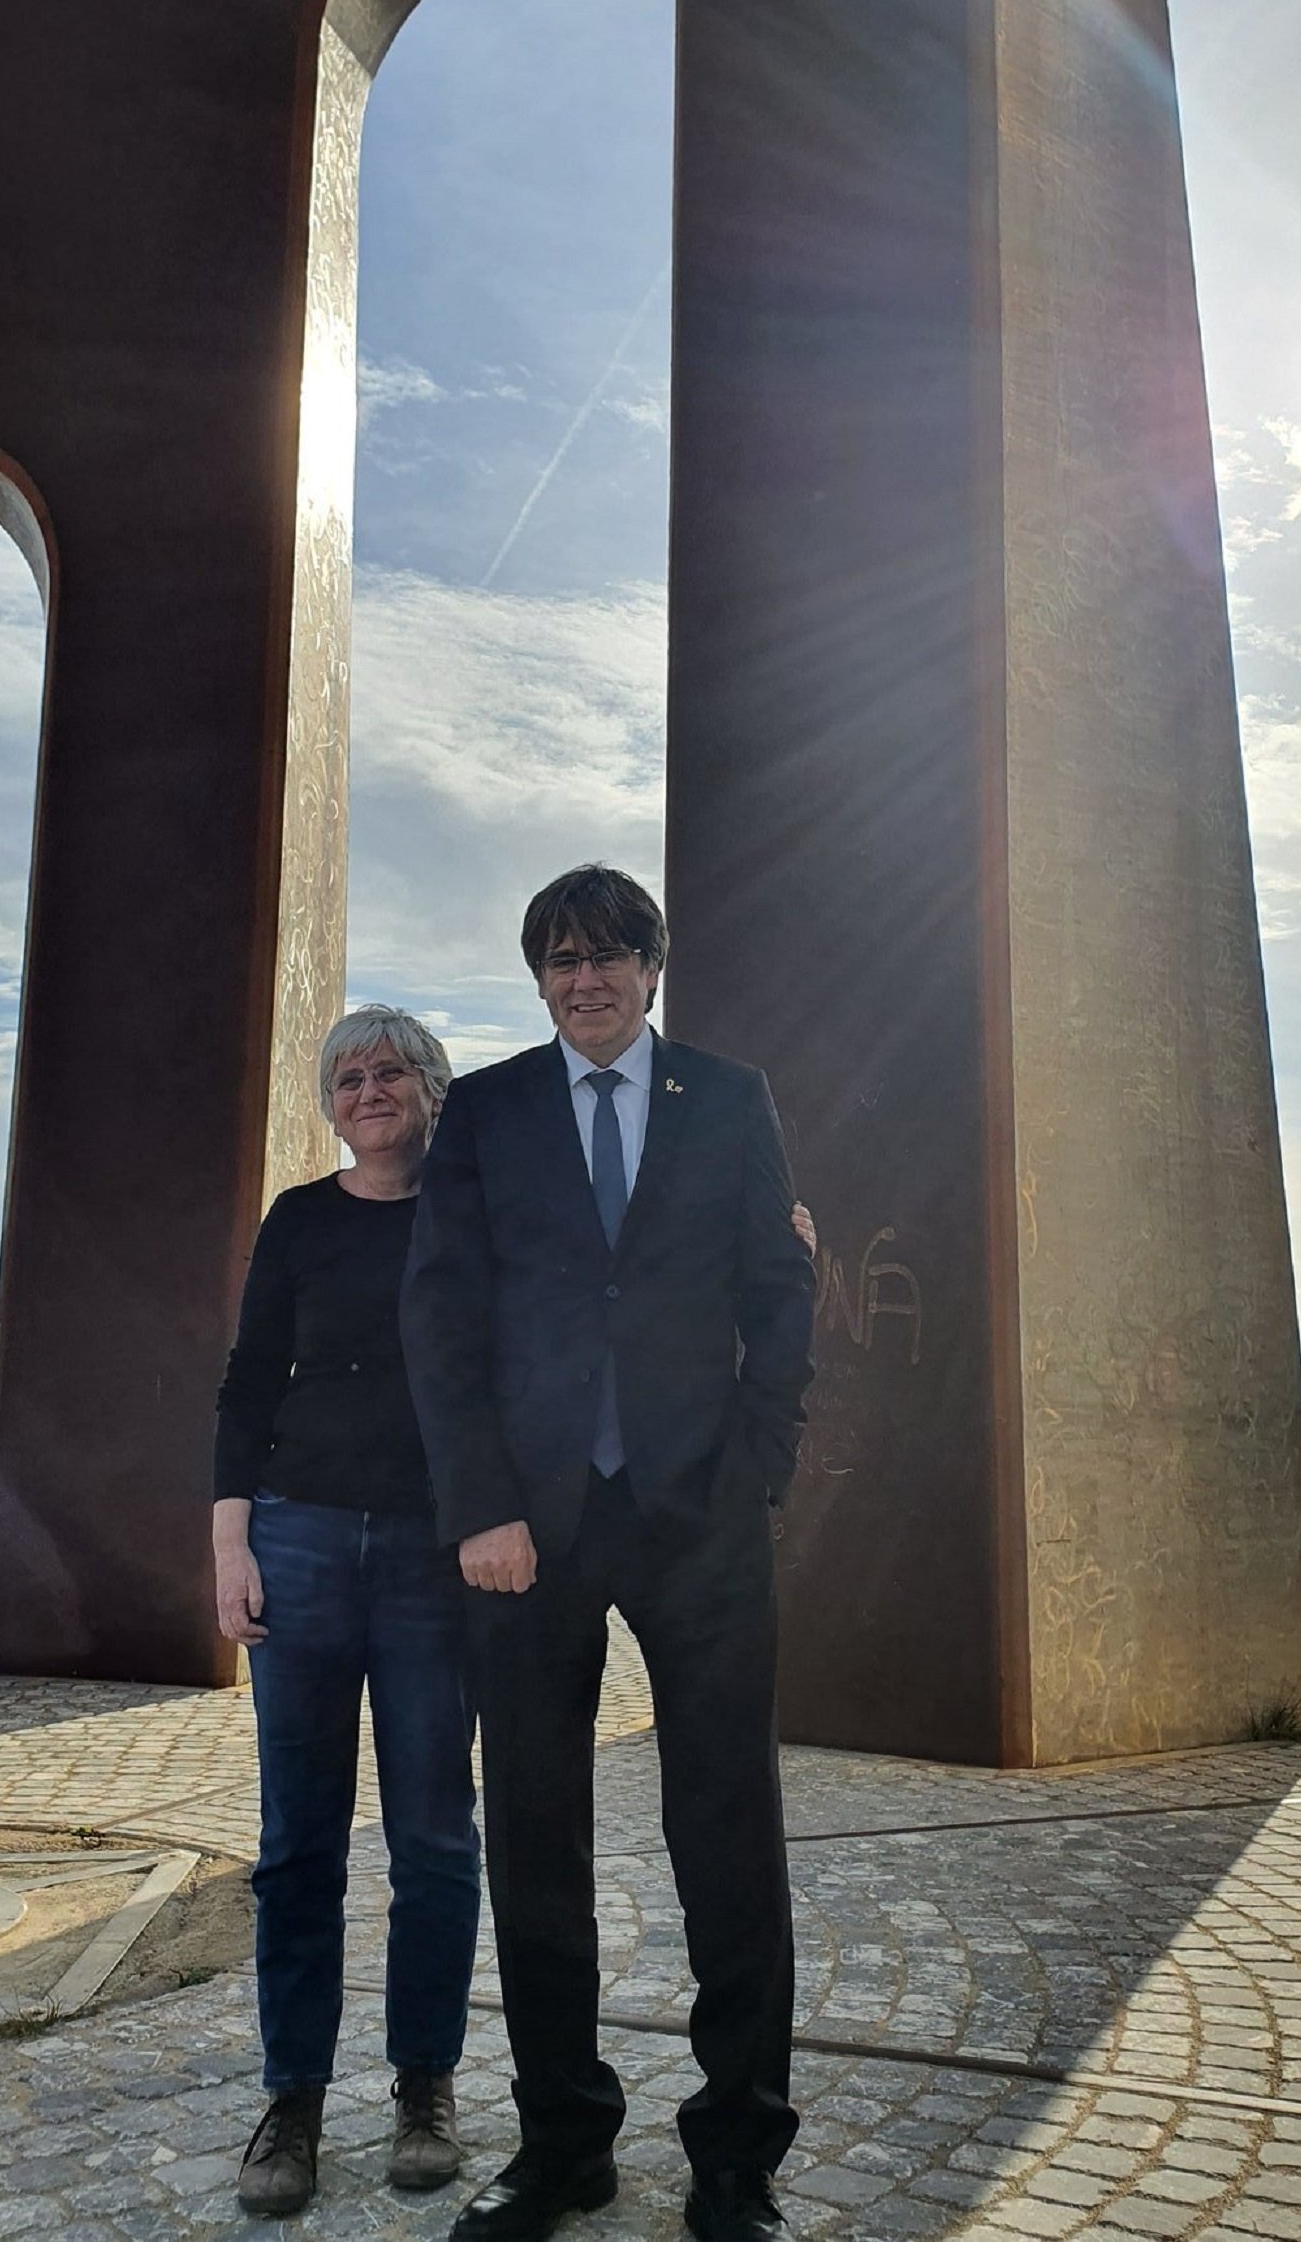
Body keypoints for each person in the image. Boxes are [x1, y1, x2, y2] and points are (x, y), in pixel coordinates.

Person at [401, 865, 817, 2242]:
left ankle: (737, 2152)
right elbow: (443, 1314)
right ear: (539, 977)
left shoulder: (730, 1094)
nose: (585, 979)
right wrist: (478, 1507)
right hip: (530, 1527)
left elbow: (777, 1282)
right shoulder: (492, 1111)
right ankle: (564, 2138)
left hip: (698, 1516)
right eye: (560, 959)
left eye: (609, 954)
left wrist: (758, 1459)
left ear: (654, 966)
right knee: (533, 1833)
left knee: (730, 1832)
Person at [213, 1008, 480, 2218]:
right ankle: (295, 2096)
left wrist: (771, 1236)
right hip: (301, 1539)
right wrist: (231, 1543)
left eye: (391, 1071)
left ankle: (426, 2082)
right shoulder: (300, 1218)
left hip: (434, 1553)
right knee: (297, 1842)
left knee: (431, 1833)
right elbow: (246, 1380)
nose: (369, 1089)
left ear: (433, 1088)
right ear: (330, 1102)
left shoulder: (472, 1213)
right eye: (349, 1076)